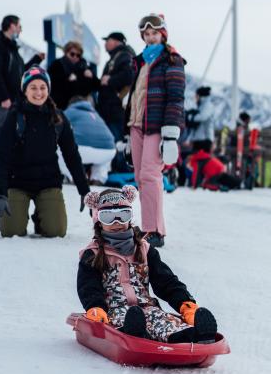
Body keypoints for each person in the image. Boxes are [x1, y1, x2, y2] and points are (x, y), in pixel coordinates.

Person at [77, 186, 218, 343]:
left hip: (147, 308)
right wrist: (95, 307)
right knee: (127, 322)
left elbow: (166, 281)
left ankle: (196, 335)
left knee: (164, 321)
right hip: (112, 312)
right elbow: (88, 286)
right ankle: (135, 335)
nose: (117, 222)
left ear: (130, 217)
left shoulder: (144, 249)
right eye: (108, 217)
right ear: (98, 220)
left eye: (123, 215)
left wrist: (185, 304)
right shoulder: (93, 253)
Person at [0, 66, 90, 238]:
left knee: (56, 231)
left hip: (48, 182)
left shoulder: (58, 118)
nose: (38, 92)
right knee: (11, 231)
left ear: (48, 90)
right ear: (25, 91)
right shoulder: (15, 117)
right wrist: (0, 194)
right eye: (33, 88)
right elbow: (1, 156)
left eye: (43, 87)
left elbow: (71, 155)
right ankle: (21, 213)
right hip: (17, 183)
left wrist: (84, 190)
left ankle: (42, 216)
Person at [122, 13, 186, 248]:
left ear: (163, 34)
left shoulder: (172, 60)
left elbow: (176, 98)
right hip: (136, 123)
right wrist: (124, 133)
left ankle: (155, 230)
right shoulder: (140, 61)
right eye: (146, 34)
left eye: (154, 34)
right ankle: (150, 225)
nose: (150, 38)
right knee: (140, 177)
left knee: (150, 175)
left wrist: (170, 133)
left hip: (157, 125)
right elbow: (132, 97)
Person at [0, 14, 44, 175]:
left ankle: (10, 164)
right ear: (11, 26)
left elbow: (19, 74)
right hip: (5, 101)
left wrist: (35, 60)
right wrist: (4, 97)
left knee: (15, 132)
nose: (21, 29)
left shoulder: (13, 49)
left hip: (16, 100)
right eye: (19, 25)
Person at [96, 32, 135, 171]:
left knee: (118, 141)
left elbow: (129, 75)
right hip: (112, 110)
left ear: (117, 41)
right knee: (115, 140)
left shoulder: (124, 55)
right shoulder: (118, 57)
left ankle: (121, 170)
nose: (106, 43)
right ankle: (117, 169)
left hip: (116, 111)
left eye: (108, 40)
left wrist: (110, 80)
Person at [61, 96, 116, 185]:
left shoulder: (71, 111)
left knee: (57, 149)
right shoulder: (95, 114)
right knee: (104, 158)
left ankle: (75, 177)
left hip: (82, 149)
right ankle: (98, 179)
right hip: (109, 150)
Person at [47, 41, 95, 110]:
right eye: (72, 54)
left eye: (78, 55)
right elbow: (51, 83)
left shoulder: (84, 68)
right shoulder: (57, 64)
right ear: (66, 52)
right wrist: (67, 79)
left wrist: (90, 77)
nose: (75, 57)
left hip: (78, 106)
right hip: (60, 106)